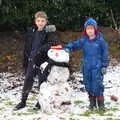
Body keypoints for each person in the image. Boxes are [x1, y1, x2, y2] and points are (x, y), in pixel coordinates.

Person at [14, 11, 58, 110]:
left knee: (42, 83)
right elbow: (27, 46)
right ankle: (23, 101)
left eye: (42, 21)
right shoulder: (31, 31)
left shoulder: (49, 32)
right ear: (35, 21)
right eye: (38, 21)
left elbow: (52, 43)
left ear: (46, 21)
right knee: (28, 80)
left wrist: (40, 50)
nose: (40, 23)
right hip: (31, 60)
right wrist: (26, 60)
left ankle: (40, 102)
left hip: (42, 61)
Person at [64, 18, 109, 111]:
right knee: (88, 85)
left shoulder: (101, 41)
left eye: (91, 28)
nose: (90, 30)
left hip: (97, 67)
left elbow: (105, 53)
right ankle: (92, 104)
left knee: (97, 85)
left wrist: (104, 65)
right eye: (88, 29)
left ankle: (101, 105)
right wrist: (68, 48)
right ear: (85, 30)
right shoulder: (84, 40)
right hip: (86, 66)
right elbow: (75, 44)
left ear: (95, 29)